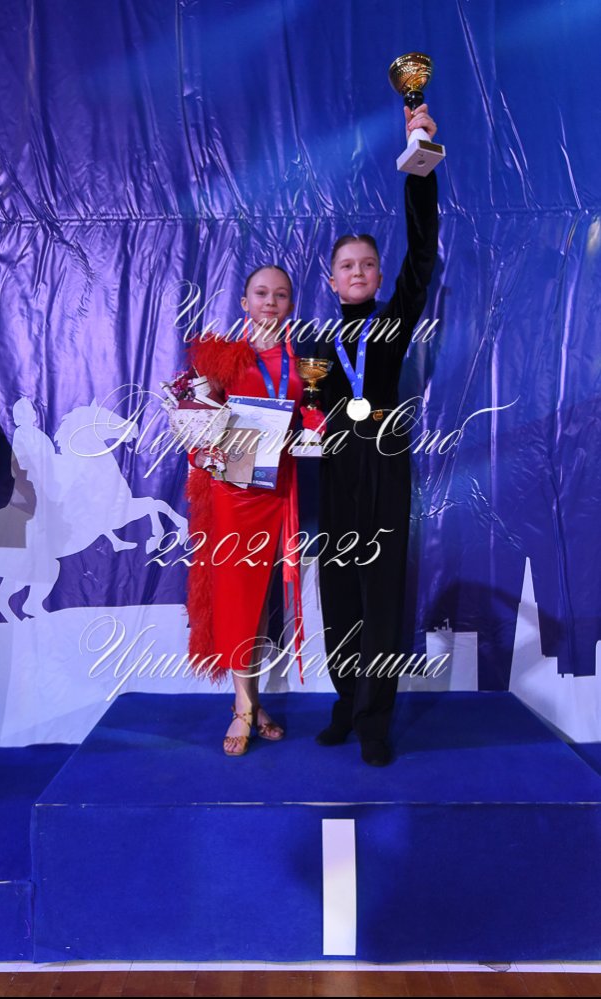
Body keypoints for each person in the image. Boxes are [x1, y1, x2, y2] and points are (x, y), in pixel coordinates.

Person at [315, 103, 440, 767]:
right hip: (336, 465)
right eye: (348, 265)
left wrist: (420, 162)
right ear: (332, 279)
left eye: (368, 263)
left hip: (385, 460)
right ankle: (345, 701)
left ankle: (374, 719)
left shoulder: (392, 322)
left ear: (379, 275)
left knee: (382, 590)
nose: (359, 272)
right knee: (338, 590)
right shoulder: (313, 343)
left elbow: (422, 254)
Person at [185, 266, 304, 755]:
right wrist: (203, 452)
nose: (270, 301)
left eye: (281, 294)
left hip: (278, 491)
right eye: (261, 293)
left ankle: (253, 702)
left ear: (291, 304)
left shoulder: (303, 360)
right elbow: (193, 420)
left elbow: (309, 415)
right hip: (234, 494)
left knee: (260, 606)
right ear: (244, 302)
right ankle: (242, 707)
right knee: (236, 599)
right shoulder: (222, 357)